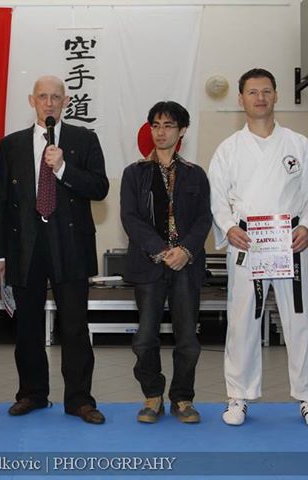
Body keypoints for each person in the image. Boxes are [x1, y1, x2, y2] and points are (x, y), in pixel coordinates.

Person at [208, 68, 308, 429]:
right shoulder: (229, 149)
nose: (259, 98)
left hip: (289, 241)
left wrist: (306, 226)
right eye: (252, 92)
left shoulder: (298, 144)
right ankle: (238, 396)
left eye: (266, 91)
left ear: (276, 96)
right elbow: (217, 197)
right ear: (240, 99)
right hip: (247, 243)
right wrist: (228, 227)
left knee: (299, 321)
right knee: (242, 321)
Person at [0, 76, 109, 424]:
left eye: (56, 97)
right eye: (43, 96)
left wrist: (64, 169)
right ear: (32, 101)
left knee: (74, 326)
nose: (49, 103)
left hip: (69, 245)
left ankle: (79, 399)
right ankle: (32, 393)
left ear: (66, 101)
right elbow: (1, 202)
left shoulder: (84, 139)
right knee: (27, 326)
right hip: (24, 246)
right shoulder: (11, 145)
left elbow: (100, 188)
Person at [120, 101, 211, 424]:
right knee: (145, 338)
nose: (160, 132)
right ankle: (153, 395)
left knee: (187, 339)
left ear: (182, 130)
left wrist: (185, 250)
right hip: (149, 264)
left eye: (168, 125)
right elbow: (130, 218)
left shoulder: (195, 174)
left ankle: (183, 398)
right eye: (155, 125)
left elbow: (204, 219)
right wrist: (161, 250)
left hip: (186, 265)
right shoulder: (134, 173)